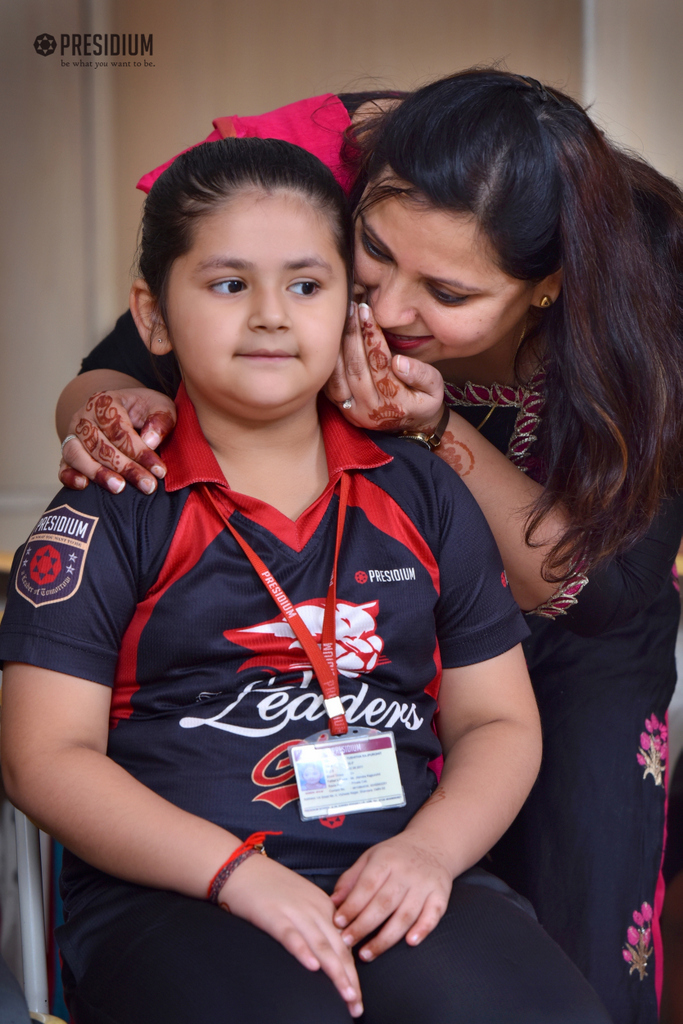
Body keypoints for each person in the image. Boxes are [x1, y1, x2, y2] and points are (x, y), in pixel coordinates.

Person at [52, 71, 683, 1024]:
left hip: (569, 624)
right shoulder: (322, 201)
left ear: (548, 283)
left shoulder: (648, 300)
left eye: (449, 293)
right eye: (372, 262)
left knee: (570, 936)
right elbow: (129, 358)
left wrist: (436, 438)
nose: (385, 313)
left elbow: (606, 589)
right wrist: (110, 425)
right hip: (353, 625)